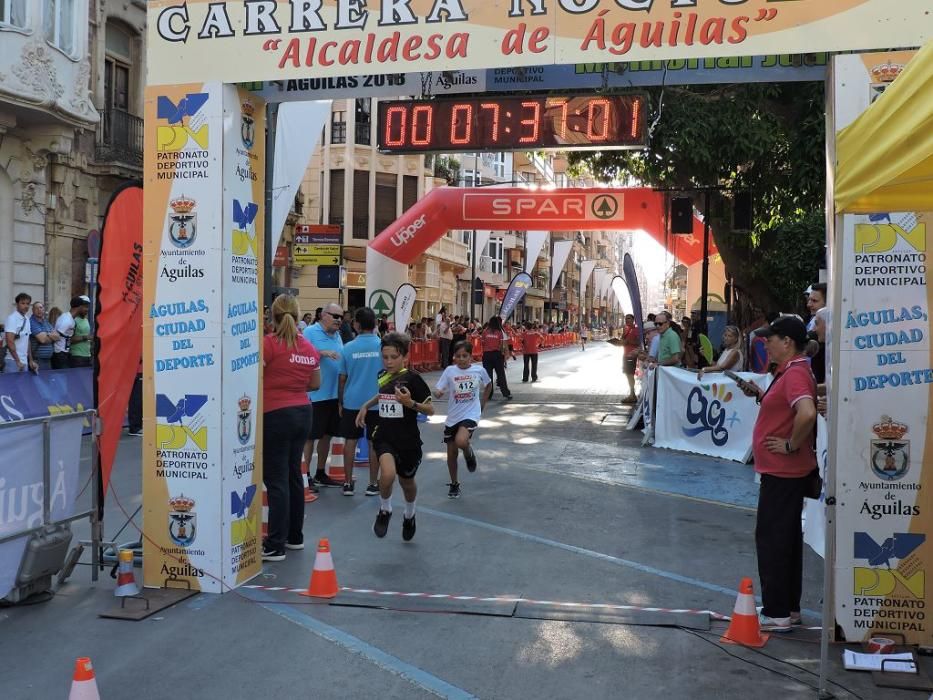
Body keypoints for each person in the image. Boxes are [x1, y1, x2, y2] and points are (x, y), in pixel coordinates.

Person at [738, 316, 817, 632]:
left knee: (773, 538)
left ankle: (777, 612)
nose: (765, 343)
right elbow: (789, 408)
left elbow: (807, 412)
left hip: (784, 471)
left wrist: (790, 444)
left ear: (787, 342)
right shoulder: (789, 372)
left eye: (770, 338)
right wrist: (761, 395)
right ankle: (788, 608)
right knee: (785, 539)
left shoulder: (795, 373)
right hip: (785, 471)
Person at [356, 332, 433, 541]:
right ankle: (385, 510)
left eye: (393, 357)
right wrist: (366, 405)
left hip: (408, 441)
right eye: (385, 357)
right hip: (384, 436)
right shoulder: (382, 374)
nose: (388, 362)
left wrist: (411, 404)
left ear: (405, 357)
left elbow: (431, 410)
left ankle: (410, 514)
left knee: (407, 483)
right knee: (387, 475)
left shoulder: (414, 380)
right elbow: (384, 393)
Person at [261, 295, 321, 562]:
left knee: (276, 480)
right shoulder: (308, 347)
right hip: (303, 411)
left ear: (272, 316)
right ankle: (295, 536)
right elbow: (315, 384)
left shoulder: (268, 345)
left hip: (275, 413)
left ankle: (275, 544)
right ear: (298, 317)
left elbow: (254, 378)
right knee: (294, 476)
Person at [434, 340, 492, 499]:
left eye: (464, 356)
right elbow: (439, 388)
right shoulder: (450, 371)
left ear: (471, 356)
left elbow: (488, 384)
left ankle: (468, 452)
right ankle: (454, 484)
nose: (461, 359)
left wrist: (483, 402)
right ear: (454, 357)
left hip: (471, 414)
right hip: (453, 416)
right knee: (451, 454)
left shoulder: (478, 370)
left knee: (461, 441)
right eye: (458, 356)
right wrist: (438, 393)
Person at [337, 307, 383, 497]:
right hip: (376, 402)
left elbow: (342, 379)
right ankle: (373, 484)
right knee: (374, 443)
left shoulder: (347, 348)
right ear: (375, 324)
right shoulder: (382, 346)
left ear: (356, 324)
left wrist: (340, 402)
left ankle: (347, 483)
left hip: (352, 402)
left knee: (350, 441)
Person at [302, 303, 345, 489]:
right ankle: (306, 475)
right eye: (335, 316)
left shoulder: (337, 336)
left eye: (341, 317)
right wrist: (321, 353)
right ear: (323, 315)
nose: (338, 320)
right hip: (316, 394)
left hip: (333, 394)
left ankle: (320, 472)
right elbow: (300, 354)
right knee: (310, 436)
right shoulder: (310, 332)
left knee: (327, 435)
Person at [481, 316, 512, 399]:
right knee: (501, 374)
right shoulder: (499, 332)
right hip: (497, 355)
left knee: (488, 376)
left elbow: (482, 343)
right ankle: (506, 393)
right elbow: (502, 346)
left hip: (487, 355)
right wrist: (503, 355)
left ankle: (489, 394)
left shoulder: (485, 332)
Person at [4, 292, 35, 374]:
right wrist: (17, 361)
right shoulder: (12, 319)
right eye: (23, 303)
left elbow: (27, 340)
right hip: (12, 361)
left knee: (24, 386)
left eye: (28, 304)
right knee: (11, 386)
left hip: (24, 361)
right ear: (17, 304)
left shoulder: (27, 319)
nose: (26, 306)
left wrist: (31, 360)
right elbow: (10, 341)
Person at [52, 298, 86, 370]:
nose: (85, 309)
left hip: (64, 353)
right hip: (60, 354)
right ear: (80, 307)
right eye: (84, 307)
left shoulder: (70, 318)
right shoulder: (67, 320)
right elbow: (56, 335)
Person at [29, 301, 59, 371]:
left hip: (48, 360)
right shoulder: (31, 322)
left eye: (41, 308)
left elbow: (57, 337)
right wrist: (50, 334)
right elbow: (42, 339)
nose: (39, 310)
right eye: (36, 308)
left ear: (44, 309)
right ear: (32, 311)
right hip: (38, 360)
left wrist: (46, 334)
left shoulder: (46, 322)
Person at [621, 314, 640, 402]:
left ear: (633, 320)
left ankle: (632, 395)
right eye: (626, 319)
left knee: (630, 374)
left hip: (631, 355)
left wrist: (629, 341)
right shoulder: (626, 329)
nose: (627, 320)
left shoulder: (636, 329)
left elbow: (639, 342)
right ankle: (632, 394)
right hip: (625, 354)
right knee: (627, 374)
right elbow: (623, 340)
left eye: (629, 318)